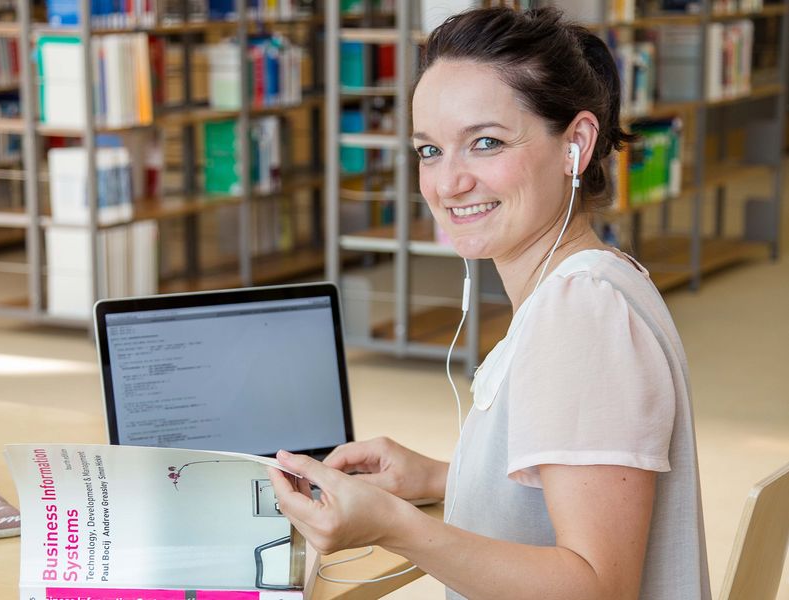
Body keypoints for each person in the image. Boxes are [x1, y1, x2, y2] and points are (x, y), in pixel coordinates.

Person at [267, 7, 710, 599]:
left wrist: (399, 527)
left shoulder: (581, 315)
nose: (448, 184)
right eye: (429, 151)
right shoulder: (596, 282)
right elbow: (574, 493)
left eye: (485, 143)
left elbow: (597, 588)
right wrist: (440, 478)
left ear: (575, 144)